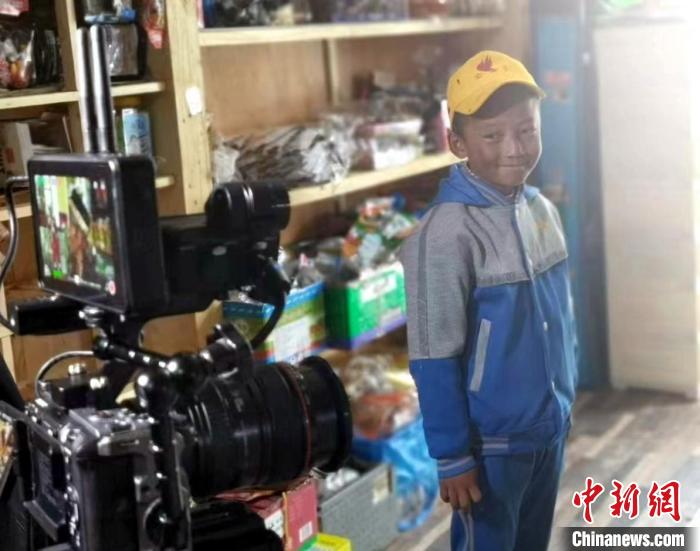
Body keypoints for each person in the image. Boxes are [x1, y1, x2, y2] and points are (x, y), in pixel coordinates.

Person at [399, 50, 579, 550]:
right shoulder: (445, 234)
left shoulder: (542, 210)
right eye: (492, 135)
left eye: (527, 130)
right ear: (457, 142)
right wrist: (452, 454)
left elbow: (562, 317)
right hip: (491, 446)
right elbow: (433, 356)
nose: (514, 148)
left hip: (546, 430)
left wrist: (565, 399)